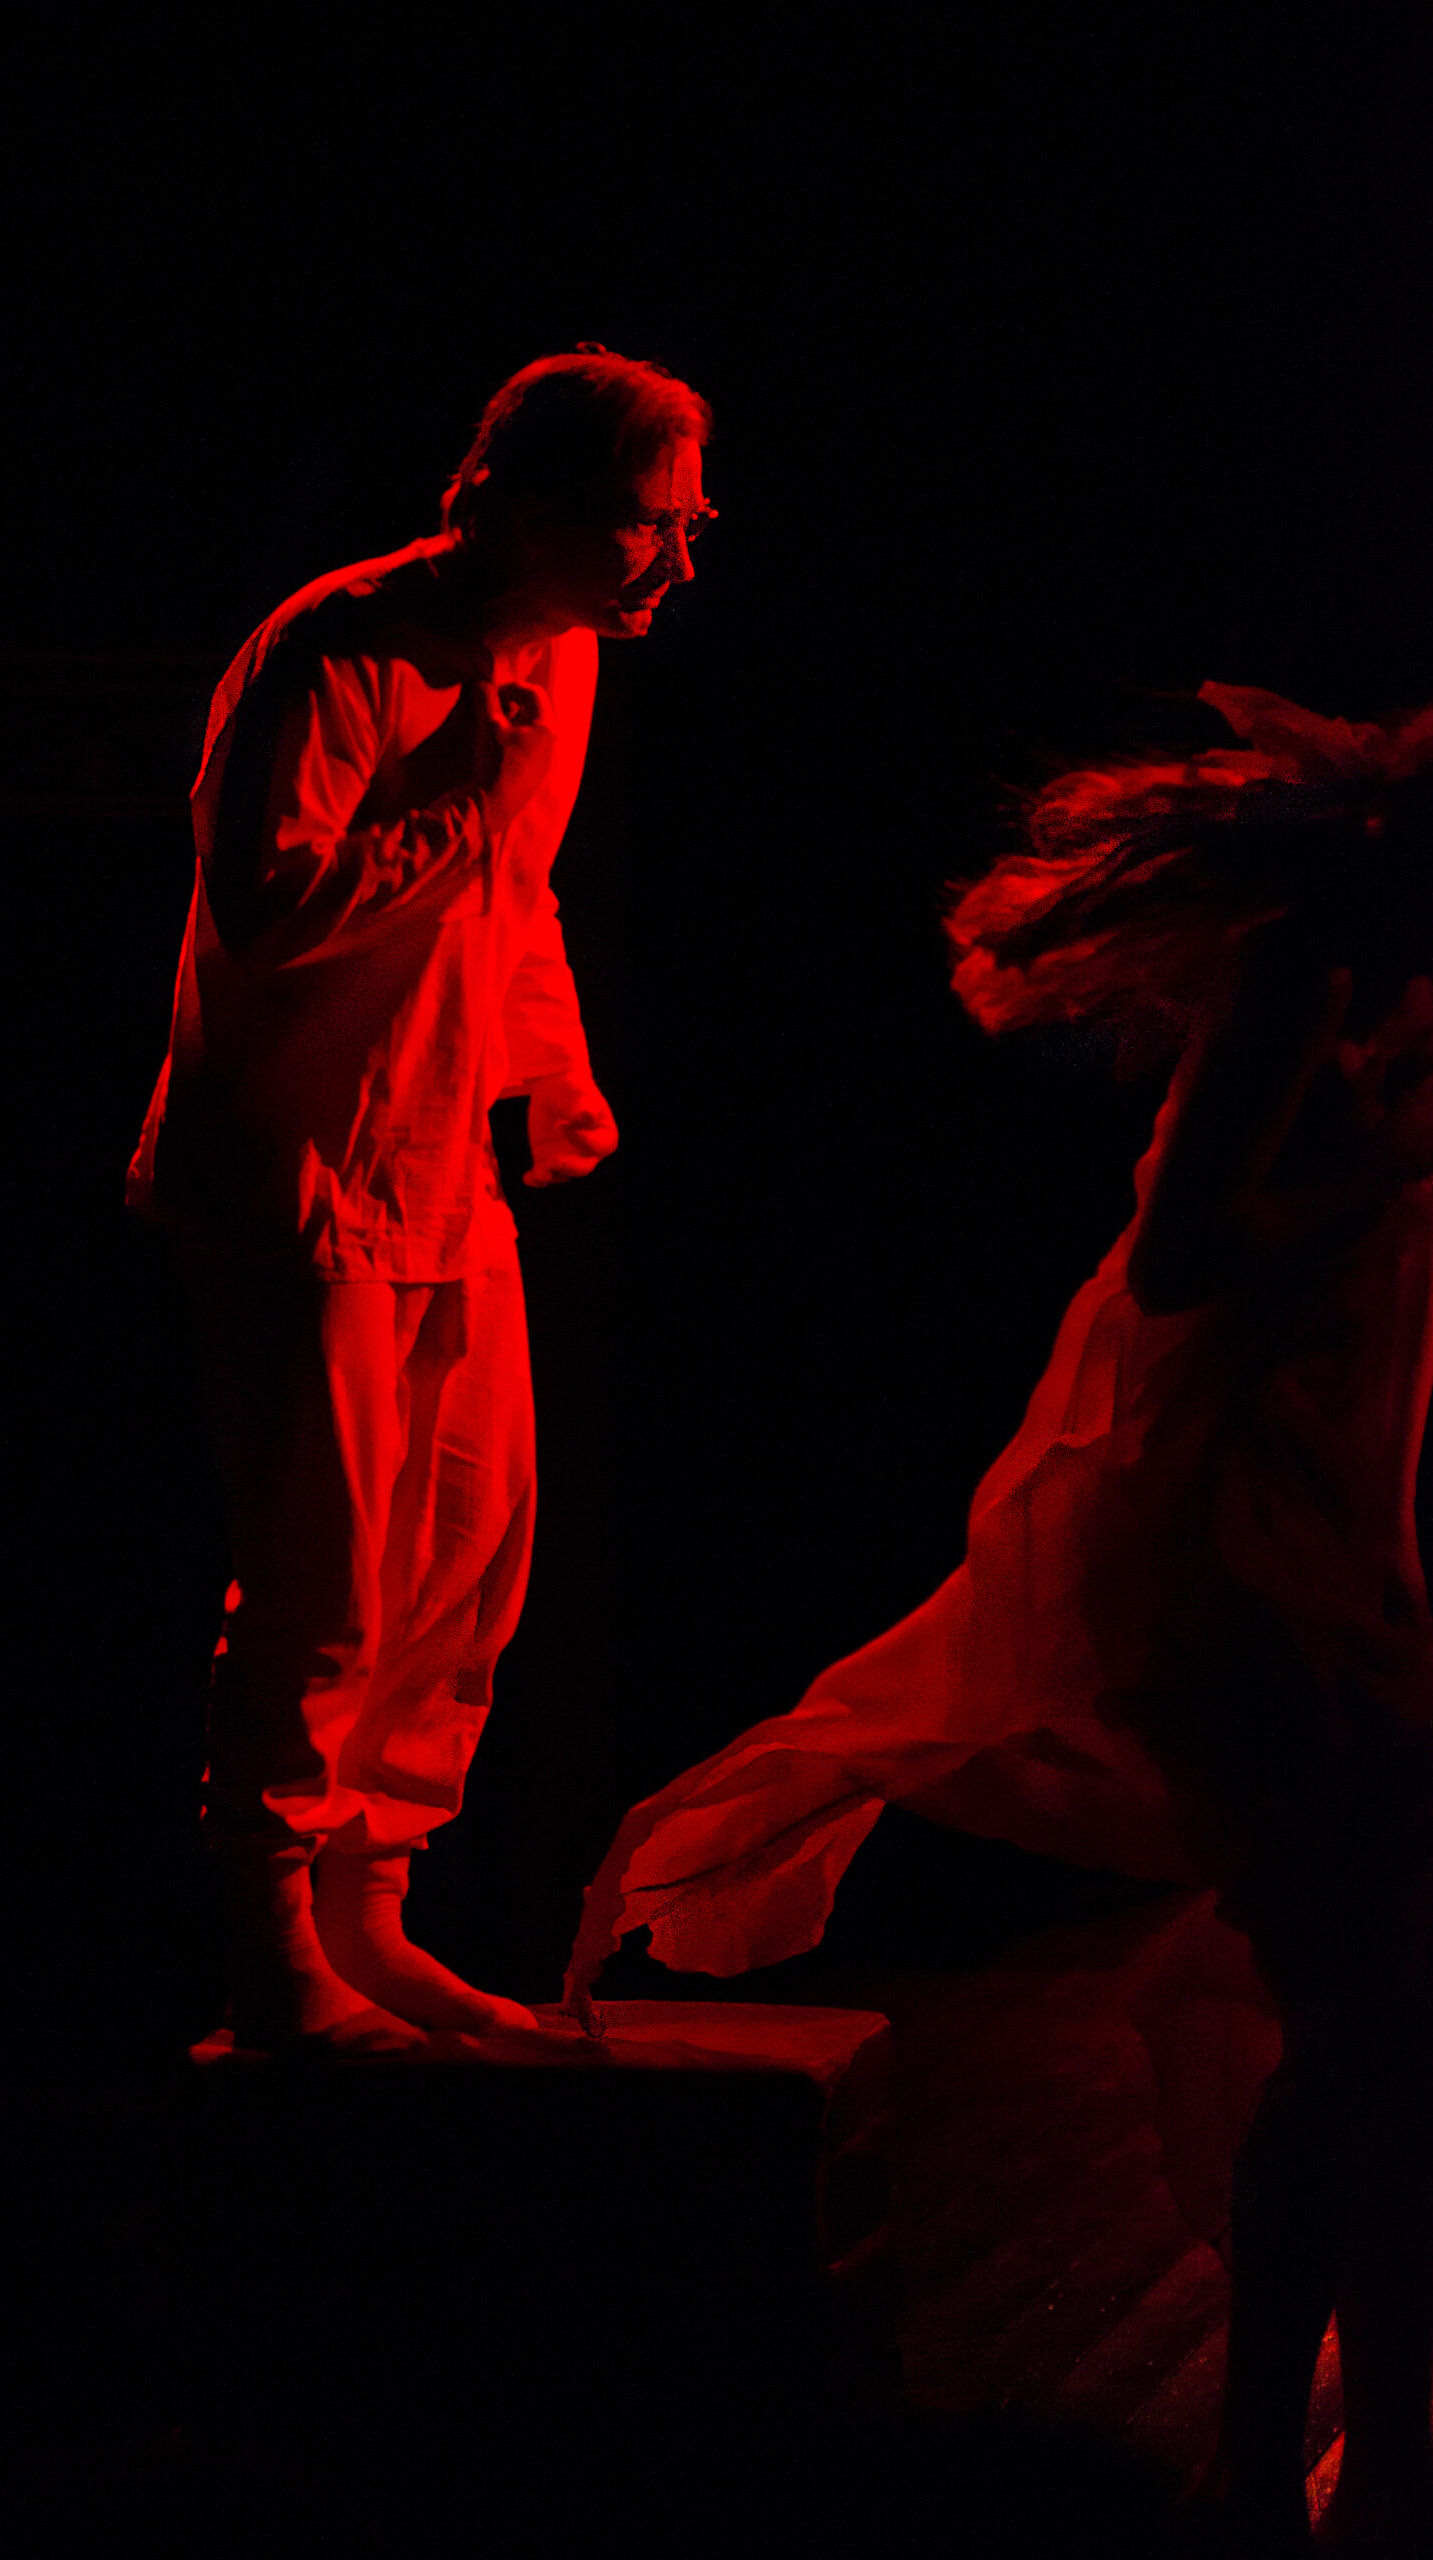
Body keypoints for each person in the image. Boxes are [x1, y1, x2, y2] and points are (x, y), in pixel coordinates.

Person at [565, 685, 1433, 2556]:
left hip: (1350, 1521)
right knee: (1362, 2002)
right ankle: (1271, 2456)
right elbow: (1189, 1249)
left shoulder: (1402, 974)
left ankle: (1339, 2448)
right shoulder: (1313, 967)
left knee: (1383, 2008)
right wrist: (1389, 1178)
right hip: (1237, 1530)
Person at [129, 347, 713, 2055]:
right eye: (643, 524)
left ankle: (371, 1913)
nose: (673, 563)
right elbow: (269, 903)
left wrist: (556, 1070)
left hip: (447, 1164)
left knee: (465, 1550)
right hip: (305, 1178)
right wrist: (456, 807)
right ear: (530, 507)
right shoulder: (337, 651)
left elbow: (512, 898)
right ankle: (272, 1950)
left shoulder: (560, 666)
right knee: (320, 1571)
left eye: (688, 525)